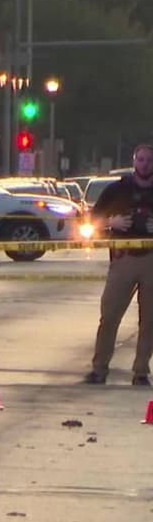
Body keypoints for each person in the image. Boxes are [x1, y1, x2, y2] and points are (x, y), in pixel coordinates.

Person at [86, 143, 153, 386]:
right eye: (141, 159)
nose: (145, 164)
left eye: (149, 160)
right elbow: (92, 219)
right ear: (134, 161)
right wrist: (112, 222)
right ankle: (99, 369)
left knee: (149, 321)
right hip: (123, 257)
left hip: (151, 261)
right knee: (110, 315)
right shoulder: (118, 190)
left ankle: (141, 372)